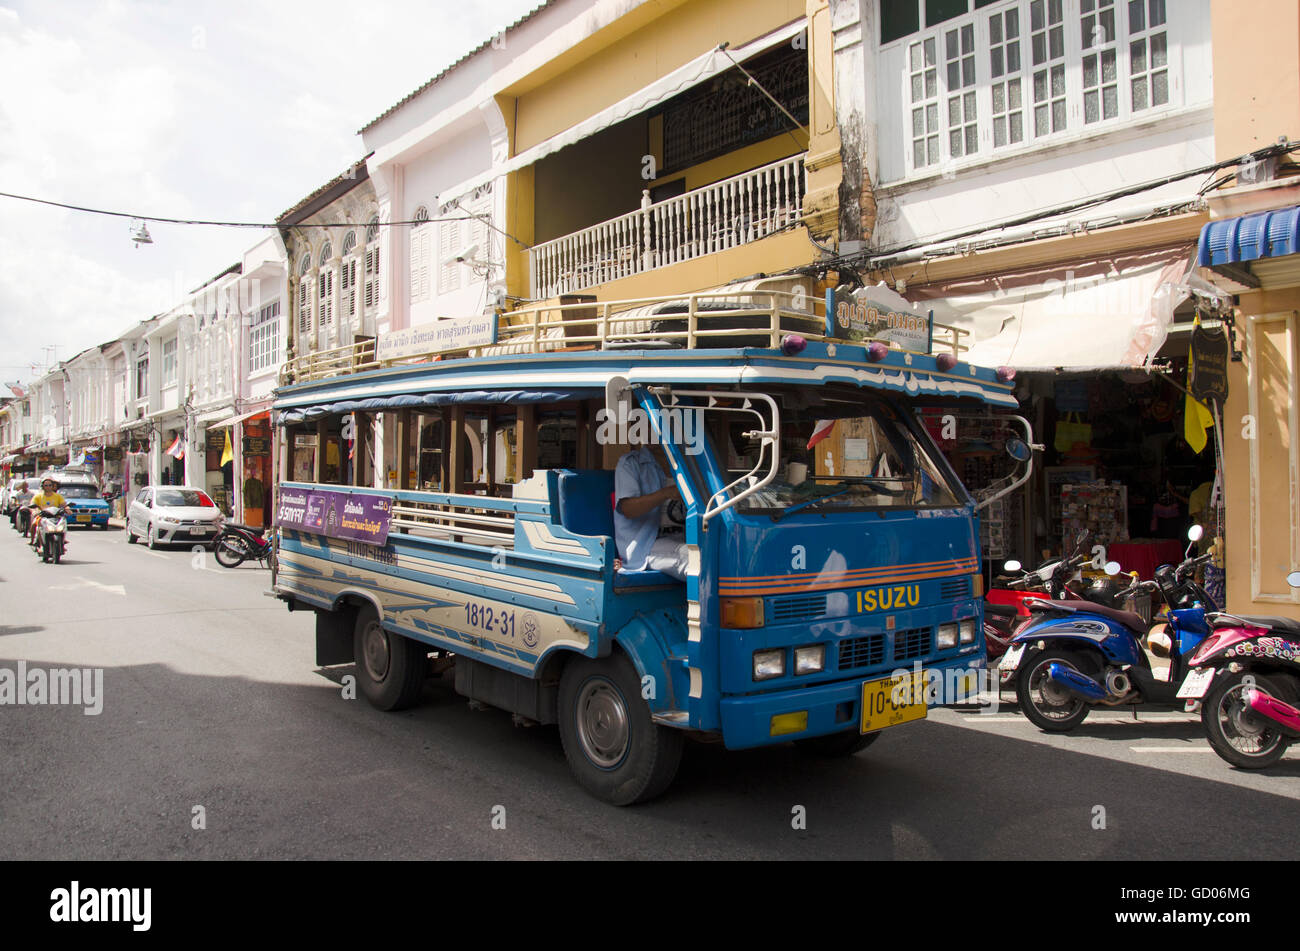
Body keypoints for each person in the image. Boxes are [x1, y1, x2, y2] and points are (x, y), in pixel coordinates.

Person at [613, 443, 688, 581]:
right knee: (695, 562)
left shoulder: (687, 464)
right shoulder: (630, 463)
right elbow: (628, 509)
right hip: (645, 545)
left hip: (684, 538)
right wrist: (665, 493)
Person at [28, 475, 68, 548]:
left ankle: (62, 540)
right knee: (34, 524)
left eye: (50, 485)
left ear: (52, 486)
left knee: (63, 523)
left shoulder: (58, 496)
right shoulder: (38, 496)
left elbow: (64, 505)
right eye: (46, 485)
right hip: (42, 516)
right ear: (43, 486)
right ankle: (35, 542)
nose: (48, 487)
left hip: (55, 516)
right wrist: (35, 511)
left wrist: (68, 509)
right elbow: (33, 505)